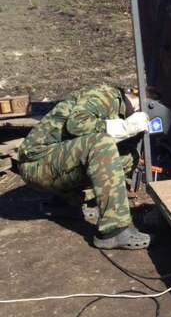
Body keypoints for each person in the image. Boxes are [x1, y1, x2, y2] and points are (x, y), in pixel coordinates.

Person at [17, 84, 152, 249]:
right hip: (35, 162)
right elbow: (77, 124)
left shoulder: (120, 108)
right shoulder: (106, 95)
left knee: (128, 157)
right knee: (100, 143)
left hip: (54, 162)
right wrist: (125, 127)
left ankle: (67, 202)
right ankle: (114, 231)